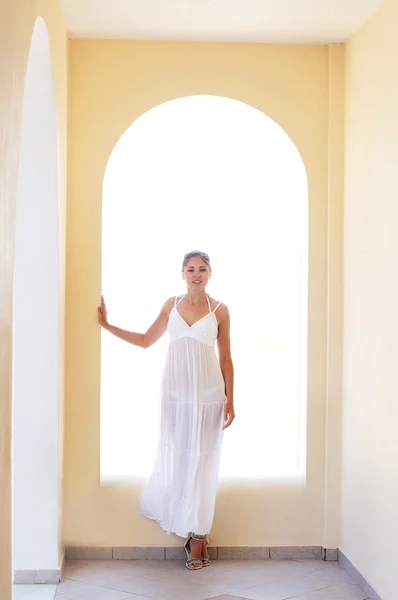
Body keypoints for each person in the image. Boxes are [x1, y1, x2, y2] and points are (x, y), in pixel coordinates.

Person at [98, 250, 235, 570]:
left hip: (209, 396)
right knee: (180, 458)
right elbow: (147, 340)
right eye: (190, 269)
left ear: (210, 273)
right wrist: (107, 325)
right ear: (182, 274)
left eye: (202, 269)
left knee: (203, 462)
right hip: (175, 395)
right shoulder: (170, 305)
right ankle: (189, 530)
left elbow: (226, 357)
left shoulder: (220, 310)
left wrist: (231, 398)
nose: (196, 274)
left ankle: (198, 538)